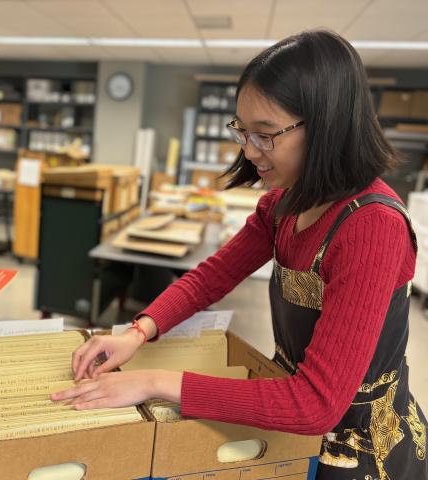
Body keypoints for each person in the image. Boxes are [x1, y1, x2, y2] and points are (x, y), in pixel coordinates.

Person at [52, 30, 428, 479]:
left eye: (265, 135)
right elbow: (211, 276)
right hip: (288, 427)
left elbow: (317, 404)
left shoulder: (373, 227)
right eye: (243, 131)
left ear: (327, 126)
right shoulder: (285, 203)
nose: (249, 151)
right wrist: (137, 332)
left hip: (360, 449)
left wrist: (153, 382)